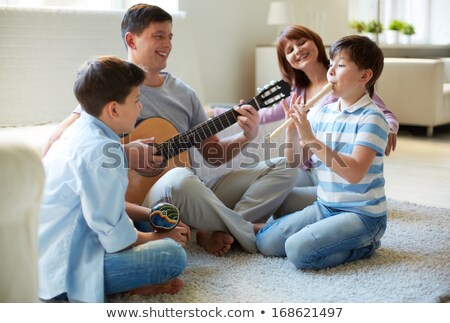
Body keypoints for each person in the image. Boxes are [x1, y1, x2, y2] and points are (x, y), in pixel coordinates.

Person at [41, 4, 299, 256]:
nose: (167, 44)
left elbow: (214, 155)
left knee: (286, 167)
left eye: (170, 36)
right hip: (142, 200)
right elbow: (59, 142)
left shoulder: (184, 94)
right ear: (132, 41)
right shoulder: (114, 87)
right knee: (180, 178)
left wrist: (246, 136)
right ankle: (250, 231)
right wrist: (125, 152)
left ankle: (213, 229)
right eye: (158, 36)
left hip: (195, 190)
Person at [39, 56, 188, 303]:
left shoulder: (82, 131)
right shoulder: (101, 154)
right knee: (172, 255)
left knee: (149, 223)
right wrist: (159, 238)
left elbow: (102, 207)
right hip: (65, 271)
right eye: (137, 100)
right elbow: (114, 237)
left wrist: (151, 215)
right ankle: (128, 284)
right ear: (114, 109)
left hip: (56, 247)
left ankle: (135, 279)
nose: (140, 108)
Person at [211, 25, 398, 215]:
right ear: (287, 61)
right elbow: (264, 114)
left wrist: (388, 130)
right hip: (308, 169)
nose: (298, 50)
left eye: (301, 43)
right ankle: (230, 217)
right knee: (273, 171)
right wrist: (213, 111)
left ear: (315, 42)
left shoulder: (345, 81)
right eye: (290, 50)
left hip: (337, 175)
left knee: (282, 200)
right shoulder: (297, 91)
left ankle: (234, 225)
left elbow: (384, 114)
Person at [256, 35, 389, 270]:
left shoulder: (373, 119)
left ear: (364, 76)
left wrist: (309, 138)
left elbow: (355, 173)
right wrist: (293, 131)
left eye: (340, 66)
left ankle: (366, 246)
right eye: (331, 65)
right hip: (325, 206)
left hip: (363, 216)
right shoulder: (322, 113)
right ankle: (324, 235)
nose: (331, 72)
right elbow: (295, 161)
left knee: (298, 251)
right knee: (266, 242)